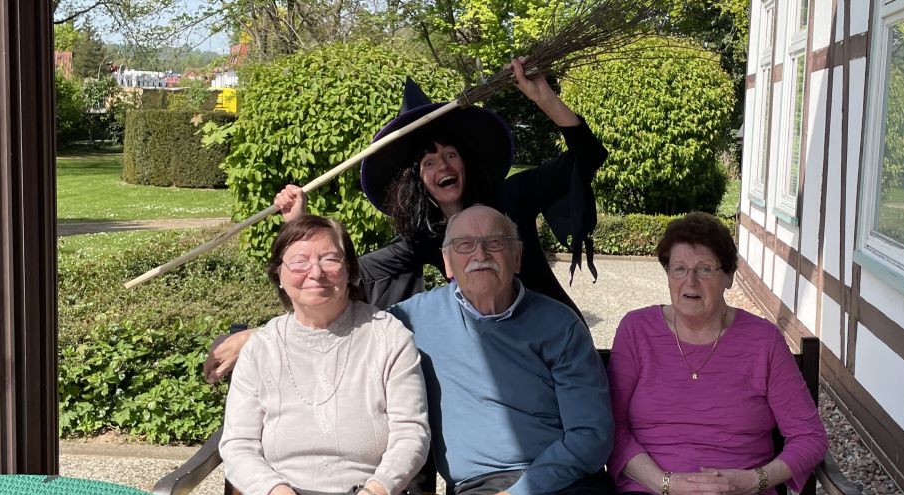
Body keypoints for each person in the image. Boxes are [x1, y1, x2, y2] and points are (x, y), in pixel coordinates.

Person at [207, 58, 607, 382]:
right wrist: (301, 221)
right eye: (428, 162)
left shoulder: (511, 198)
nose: (442, 166)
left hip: (557, 344)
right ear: (418, 180)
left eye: (450, 155)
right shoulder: (424, 239)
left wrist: (544, 98)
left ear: (464, 163)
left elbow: (587, 157)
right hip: (501, 362)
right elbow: (343, 276)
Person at [388, 205, 614, 495]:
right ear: (447, 264)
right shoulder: (412, 319)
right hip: (477, 490)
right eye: (464, 245)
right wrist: (298, 231)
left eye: (495, 242)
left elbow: (591, 435)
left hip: (566, 484)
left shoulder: (559, 325)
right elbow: (339, 315)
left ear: (517, 256)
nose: (480, 254)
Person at [604, 212, 829, 495]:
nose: (690, 281)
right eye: (679, 268)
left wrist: (753, 481)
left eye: (705, 269)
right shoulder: (637, 330)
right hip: (648, 488)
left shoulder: (763, 341)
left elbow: (810, 436)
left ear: (727, 277)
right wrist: (666, 483)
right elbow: (612, 427)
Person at [219, 215, 431, 495]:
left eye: (329, 259)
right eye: (299, 261)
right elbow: (238, 446)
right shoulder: (262, 347)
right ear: (280, 277)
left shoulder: (388, 336)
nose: (315, 272)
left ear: (349, 269)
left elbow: (412, 435)